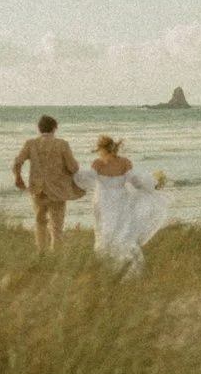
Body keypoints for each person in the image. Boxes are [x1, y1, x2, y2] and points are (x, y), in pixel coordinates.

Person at [73, 135, 169, 274]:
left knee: (103, 231)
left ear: (101, 149)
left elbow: (86, 178)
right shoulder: (125, 162)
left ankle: (107, 266)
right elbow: (136, 181)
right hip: (120, 199)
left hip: (103, 200)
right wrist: (152, 184)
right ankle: (124, 265)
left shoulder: (98, 164)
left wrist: (71, 171)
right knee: (121, 230)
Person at [13, 114, 84, 251]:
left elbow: (17, 162)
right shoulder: (62, 144)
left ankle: (42, 252)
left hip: (37, 189)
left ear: (39, 129)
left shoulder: (31, 143)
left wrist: (18, 177)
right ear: (54, 128)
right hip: (57, 190)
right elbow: (73, 167)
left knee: (40, 222)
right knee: (57, 226)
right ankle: (56, 255)